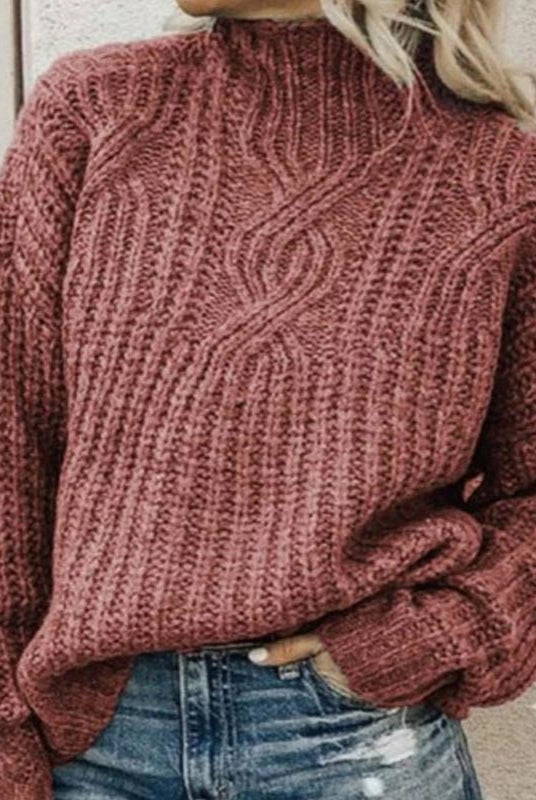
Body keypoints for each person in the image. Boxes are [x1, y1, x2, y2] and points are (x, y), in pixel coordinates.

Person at [1, 0, 535, 797]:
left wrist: (439, 634)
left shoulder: (499, 173)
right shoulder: (97, 109)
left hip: (353, 746)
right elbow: (11, 432)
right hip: (97, 741)